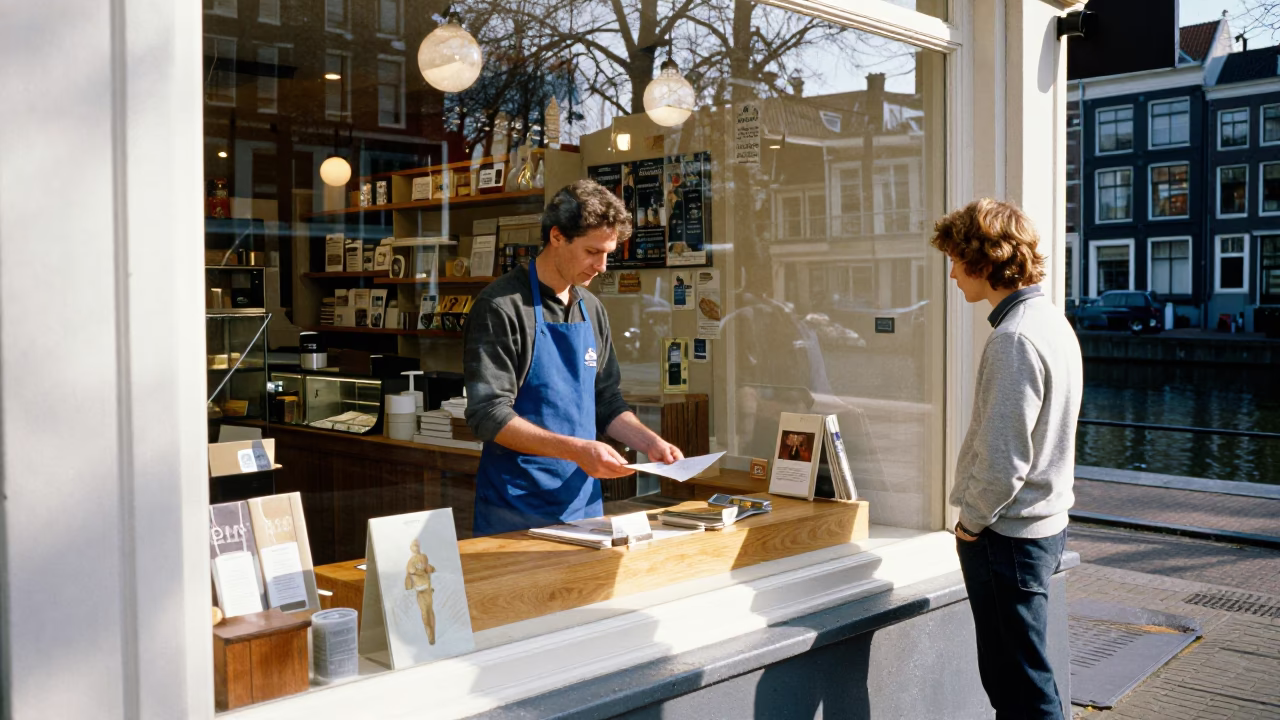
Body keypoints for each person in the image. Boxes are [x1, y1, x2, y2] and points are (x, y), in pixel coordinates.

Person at [931, 198, 1082, 720]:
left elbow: (1004, 460)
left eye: (955, 258)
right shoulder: (1051, 322)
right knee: (1026, 677)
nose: (951, 272)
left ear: (983, 259)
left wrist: (969, 526)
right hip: (1041, 529)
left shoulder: (1014, 338)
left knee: (1017, 685)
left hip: (1007, 539)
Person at [463, 180, 683, 535]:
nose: (603, 266)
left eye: (608, 253)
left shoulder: (591, 308)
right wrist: (577, 450)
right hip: (516, 506)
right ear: (557, 237)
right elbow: (487, 414)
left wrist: (649, 443)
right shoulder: (501, 306)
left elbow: (606, 401)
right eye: (593, 252)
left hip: (583, 504)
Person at [404, 539, 436, 645]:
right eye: (414, 546)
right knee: (424, 613)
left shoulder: (424, 557)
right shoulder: (411, 561)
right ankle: (430, 635)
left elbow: (429, 569)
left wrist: (427, 570)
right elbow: (410, 574)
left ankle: (432, 635)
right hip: (420, 589)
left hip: (426, 588)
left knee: (429, 610)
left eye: (417, 545)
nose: (416, 548)